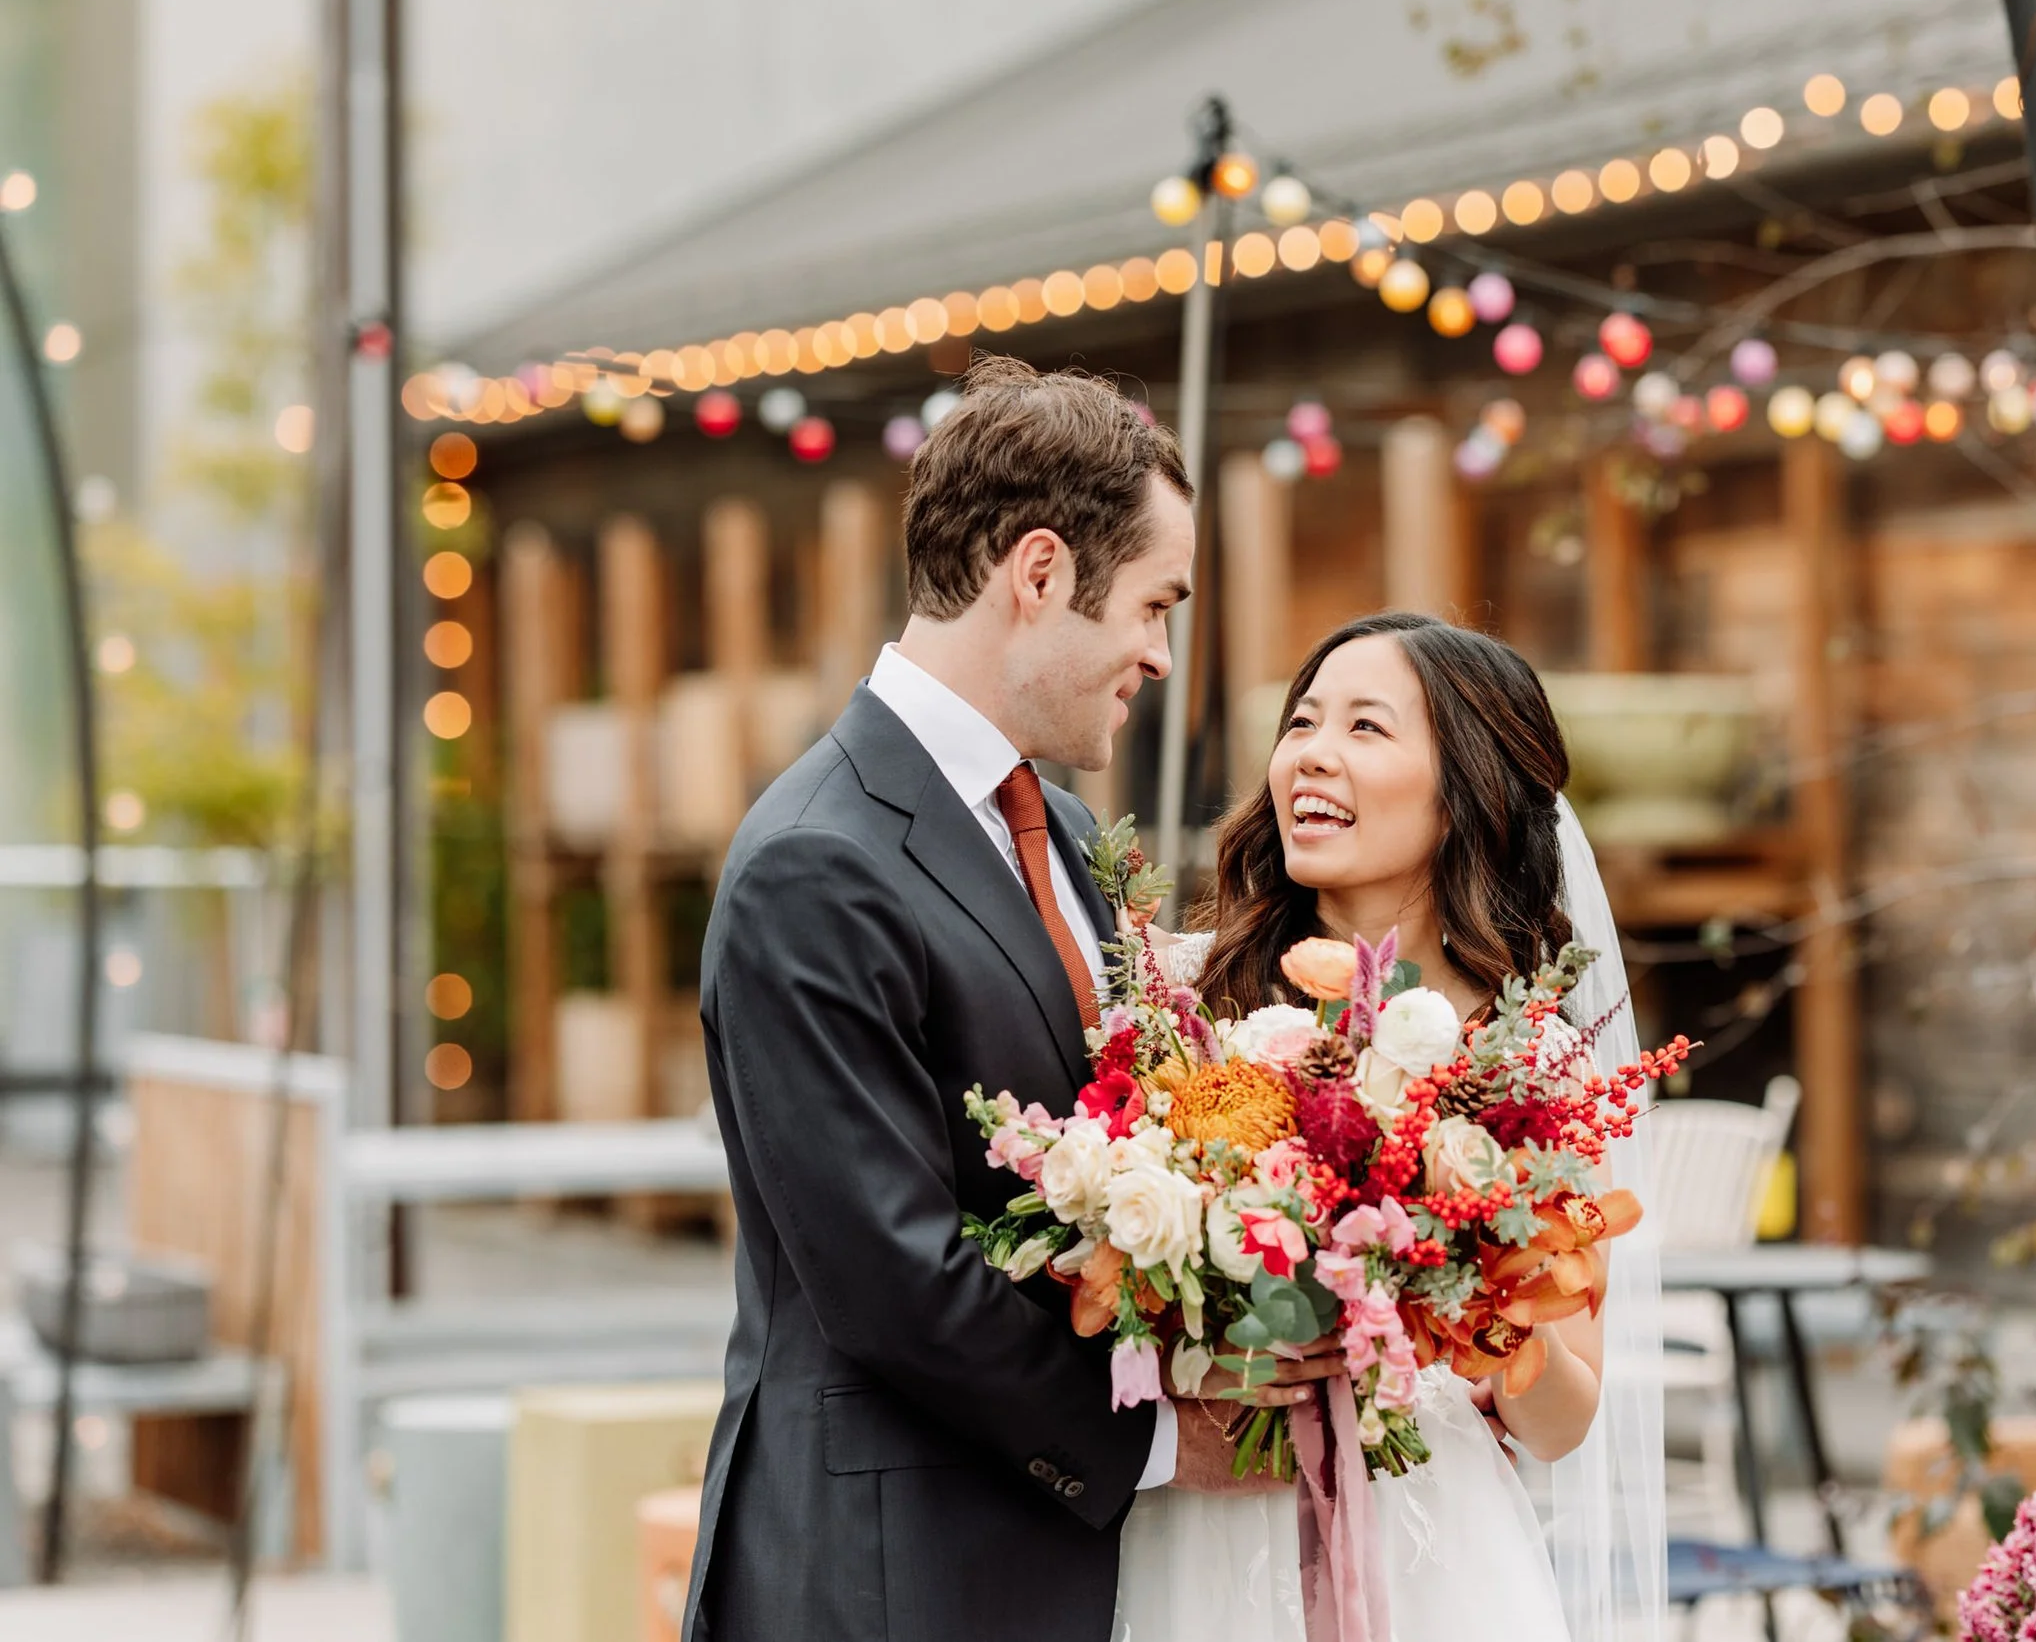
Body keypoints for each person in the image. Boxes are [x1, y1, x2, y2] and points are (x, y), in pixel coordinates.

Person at [682, 356, 1336, 1642]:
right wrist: (1157, 1443)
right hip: (890, 1569)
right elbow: (891, 1275)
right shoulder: (815, 862)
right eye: (1155, 605)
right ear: (1037, 574)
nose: (1158, 653)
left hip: (1035, 1561)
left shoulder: (1066, 829)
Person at [1116, 612, 1671, 1642]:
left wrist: (1475, 1286)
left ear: (1464, 791)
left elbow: (1562, 1422)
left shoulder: (1526, 1064)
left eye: (1366, 727)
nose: (1311, 753)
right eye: (1303, 720)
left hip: (1432, 1551)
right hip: (1202, 1530)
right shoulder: (1176, 999)